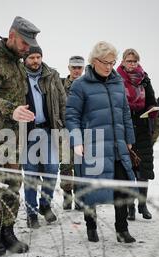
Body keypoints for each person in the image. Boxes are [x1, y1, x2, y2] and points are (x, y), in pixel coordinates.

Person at [0, 16, 40, 256]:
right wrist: (10, 109)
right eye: (24, 43)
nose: (27, 48)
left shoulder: (18, 63)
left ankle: (8, 231)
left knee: (13, 183)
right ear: (12, 36)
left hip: (12, 136)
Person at [66, 41, 137, 243]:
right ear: (94, 61)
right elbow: (72, 116)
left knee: (122, 187)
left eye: (112, 63)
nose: (109, 67)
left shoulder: (117, 83)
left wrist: (129, 139)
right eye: (105, 62)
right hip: (93, 145)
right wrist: (77, 141)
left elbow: (125, 113)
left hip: (117, 145)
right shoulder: (80, 85)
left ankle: (122, 229)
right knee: (92, 188)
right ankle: (91, 227)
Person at [22, 46, 66, 228]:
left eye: (38, 57)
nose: (35, 61)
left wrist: (64, 126)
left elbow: (63, 102)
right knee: (31, 174)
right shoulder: (18, 76)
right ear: (25, 59)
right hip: (27, 132)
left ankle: (45, 205)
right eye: (31, 57)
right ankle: (31, 212)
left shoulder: (51, 75)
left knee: (52, 168)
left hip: (49, 130)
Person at [117, 48, 157, 221]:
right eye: (129, 61)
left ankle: (142, 204)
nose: (132, 64)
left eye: (135, 61)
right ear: (123, 61)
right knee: (127, 170)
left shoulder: (144, 79)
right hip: (124, 128)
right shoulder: (116, 79)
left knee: (143, 169)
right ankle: (129, 206)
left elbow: (152, 101)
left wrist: (151, 110)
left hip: (141, 128)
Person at [60, 55, 85, 210]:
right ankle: (67, 195)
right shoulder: (61, 85)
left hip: (83, 131)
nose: (76, 70)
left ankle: (80, 198)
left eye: (79, 68)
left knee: (81, 166)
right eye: (74, 67)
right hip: (64, 130)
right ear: (69, 68)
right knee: (65, 166)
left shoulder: (86, 85)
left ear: (83, 69)